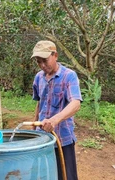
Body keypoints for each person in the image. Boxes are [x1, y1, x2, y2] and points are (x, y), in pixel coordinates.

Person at [31, 40, 82, 180]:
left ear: (55, 55)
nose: (42, 65)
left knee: (66, 176)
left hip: (62, 139)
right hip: (42, 138)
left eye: (45, 60)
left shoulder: (68, 76)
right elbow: (39, 103)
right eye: (38, 61)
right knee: (45, 174)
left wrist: (54, 120)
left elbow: (76, 103)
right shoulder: (38, 78)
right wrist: (34, 126)